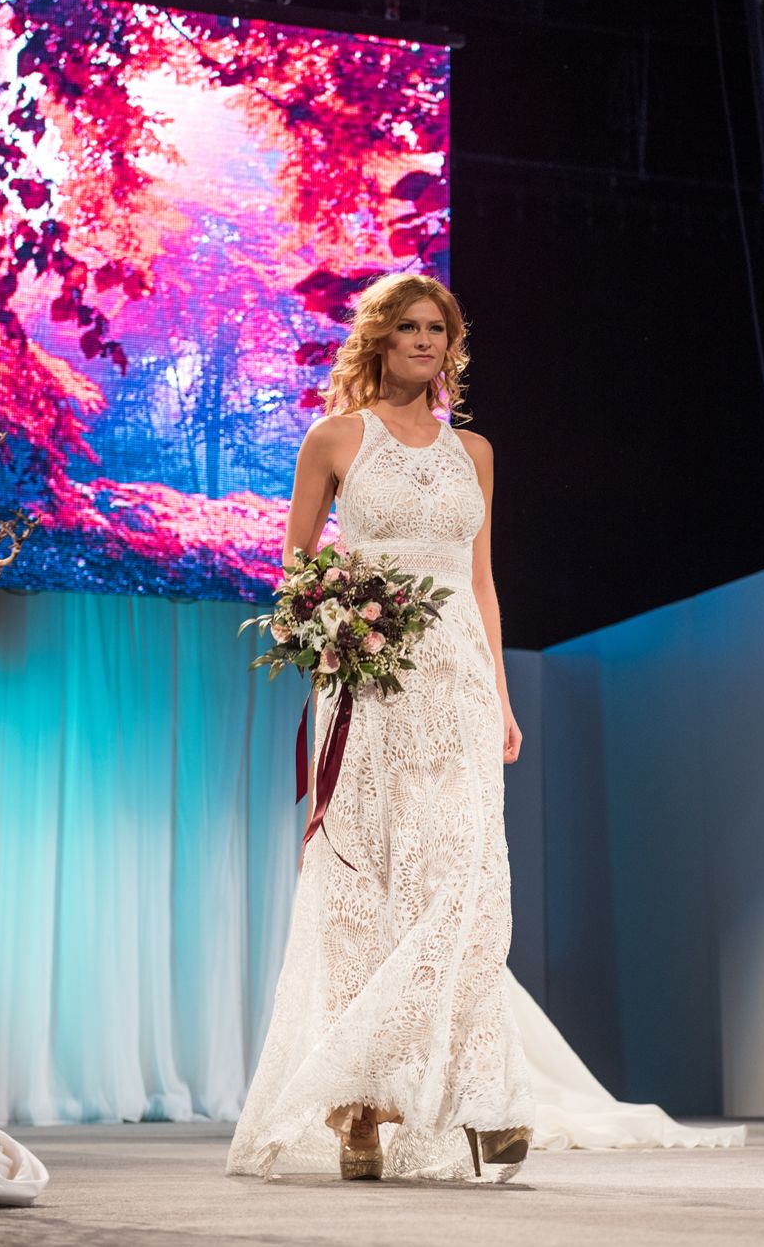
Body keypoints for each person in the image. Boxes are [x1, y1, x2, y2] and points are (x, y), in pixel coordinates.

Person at [226, 270, 537, 1183]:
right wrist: (334, 637)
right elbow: (297, 575)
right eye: (408, 327)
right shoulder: (335, 438)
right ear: (380, 338)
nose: (425, 341)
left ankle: (476, 1095)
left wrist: (502, 696)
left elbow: (480, 582)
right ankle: (358, 1107)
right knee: (369, 884)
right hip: (372, 682)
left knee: (466, 878)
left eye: (437, 328)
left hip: (459, 681)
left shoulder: (474, 451)